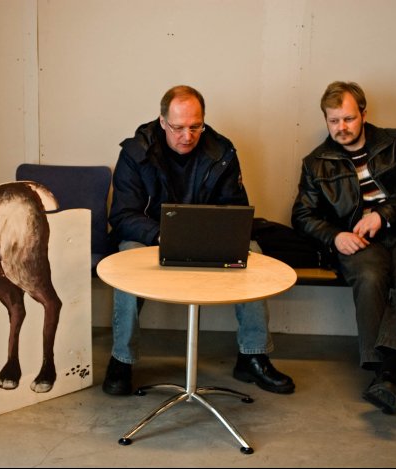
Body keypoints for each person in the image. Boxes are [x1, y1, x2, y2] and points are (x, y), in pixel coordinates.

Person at [102, 85, 295, 396]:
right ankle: (121, 360)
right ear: (162, 121)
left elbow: (235, 209)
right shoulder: (136, 153)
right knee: (126, 264)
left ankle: (253, 356)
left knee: (253, 255)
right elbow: (123, 216)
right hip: (149, 238)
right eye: (178, 128)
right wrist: (161, 235)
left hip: (208, 239)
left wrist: (212, 235)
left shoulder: (222, 151)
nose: (187, 136)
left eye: (195, 127)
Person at [291, 81, 396, 414]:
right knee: (369, 277)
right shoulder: (316, 163)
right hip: (356, 240)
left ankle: (385, 376)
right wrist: (334, 236)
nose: (342, 127)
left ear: (364, 114)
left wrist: (383, 215)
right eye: (334, 120)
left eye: (349, 119)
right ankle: (388, 376)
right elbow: (302, 214)